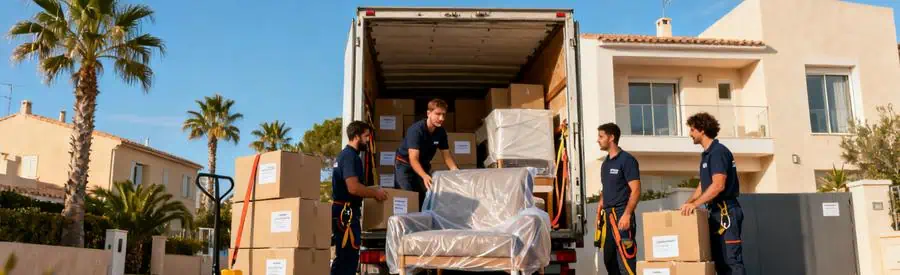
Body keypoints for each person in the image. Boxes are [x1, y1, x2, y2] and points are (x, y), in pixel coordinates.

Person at [679, 113, 745, 275]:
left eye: (692, 130)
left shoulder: (718, 152)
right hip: (715, 212)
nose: (690, 134)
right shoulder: (707, 155)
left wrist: (695, 204)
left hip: (726, 212)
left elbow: (718, 185)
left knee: (731, 261)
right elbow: (704, 185)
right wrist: (688, 203)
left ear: (702, 130)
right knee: (720, 262)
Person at [331, 121, 388, 275]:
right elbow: (353, 187)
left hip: (342, 210)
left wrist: (370, 189)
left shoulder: (344, 155)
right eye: (366, 136)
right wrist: (375, 194)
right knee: (348, 258)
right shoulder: (350, 157)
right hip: (346, 213)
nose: (368, 140)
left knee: (344, 256)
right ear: (356, 136)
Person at [395, 99, 459, 207]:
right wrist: (424, 176)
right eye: (438, 114)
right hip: (405, 165)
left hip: (423, 165)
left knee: (427, 196)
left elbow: (447, 156)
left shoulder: (441, 132)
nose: (441, 118)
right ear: (428, 113)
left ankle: (423, 222)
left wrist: (456, 171)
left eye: (443, 115)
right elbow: (413, 159)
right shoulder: (416, 130)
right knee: (407, 196)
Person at [596, 123, 641, 275]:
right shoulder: (605, 163)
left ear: (611, 137)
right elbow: (606, 187)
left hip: (622, 215)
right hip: (608, 217)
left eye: (601, 136)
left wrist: (627, 214)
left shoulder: (627, 160)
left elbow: (636, 190)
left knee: (625, 260)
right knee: (609, 260)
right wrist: (602, 200)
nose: (598, 140)